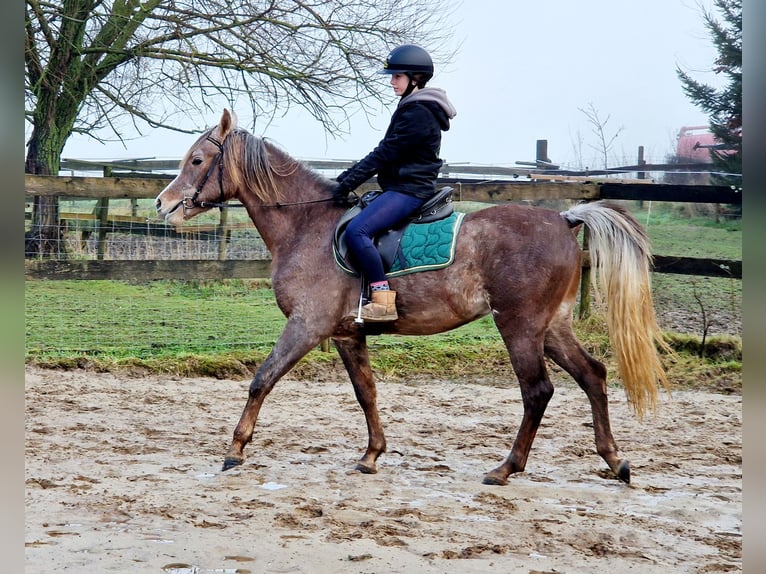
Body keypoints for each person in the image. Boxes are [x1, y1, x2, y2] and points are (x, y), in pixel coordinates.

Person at [331, 44, 457, 322]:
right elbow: (387, 151)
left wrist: (346, 182)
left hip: (408, 190)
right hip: (401, 186)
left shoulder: (418, 113)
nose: (392, 81)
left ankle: (382, 300)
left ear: (415, 78)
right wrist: (344, 180)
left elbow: (385, 152)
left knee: (357, 232)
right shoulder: (414, 107)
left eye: (397, 76)